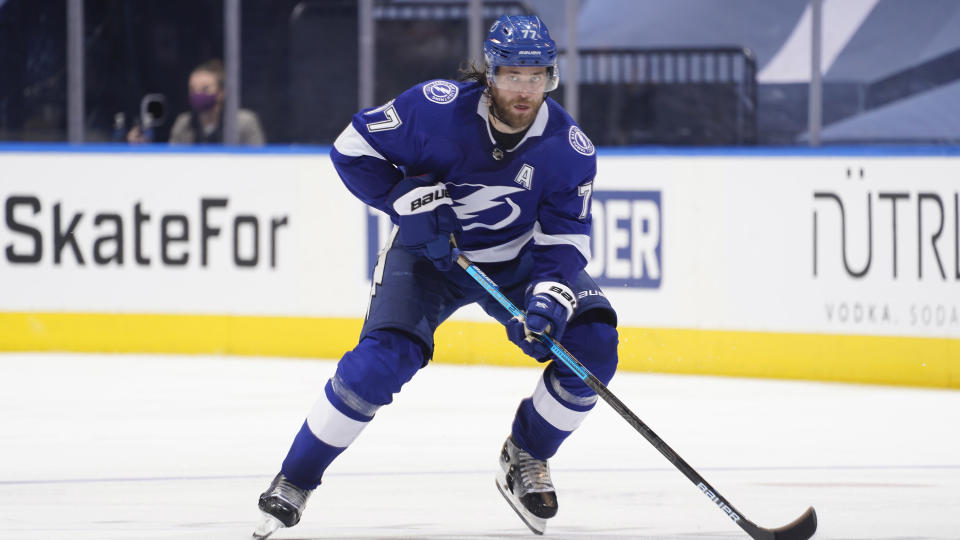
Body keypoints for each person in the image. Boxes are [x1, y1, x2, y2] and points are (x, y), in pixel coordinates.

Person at [253, 15, 619, 538]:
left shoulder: (568, 147)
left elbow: (563, 243)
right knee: (376, 367)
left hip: (517, 264)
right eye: (513, 75)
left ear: (550, 77)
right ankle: (296, 478)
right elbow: (352, 151)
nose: (524, 90)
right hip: (427, 258)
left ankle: (527, 454)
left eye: (536, 76)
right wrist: (401, 199)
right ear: (489, 74)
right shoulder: (434, 107)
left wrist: (549, 296)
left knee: (594, 346)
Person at [127, 59, 266, 145]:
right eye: (193, 89)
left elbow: (259, 163)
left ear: (221, 92)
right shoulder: (183, 124)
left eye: (205, 89)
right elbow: (171, 163)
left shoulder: (244, 122)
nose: (198, 94)